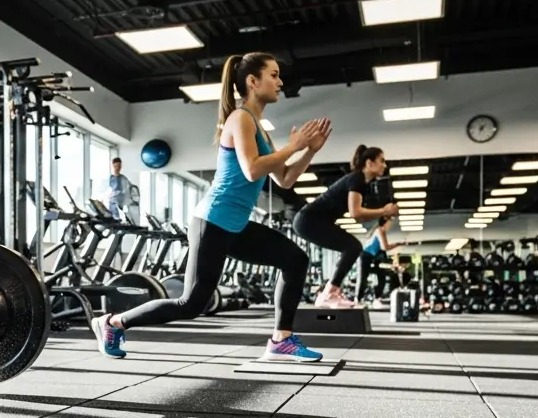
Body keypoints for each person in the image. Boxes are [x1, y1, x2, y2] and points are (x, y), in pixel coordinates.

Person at [90, 52, 330, 363]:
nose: (280, 81)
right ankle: (112, 323)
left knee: (295, 260)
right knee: (190, 304)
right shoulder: (240, 118)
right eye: (274, 74)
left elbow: (284, 179)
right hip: (213, 222)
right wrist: (293, 147)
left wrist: (308, 151)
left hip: (236, 225)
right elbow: (252, 169)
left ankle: (280, 339)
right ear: (253, 82)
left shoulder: (259, 126)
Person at [290, 145, 400, 308]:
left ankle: (329, 292)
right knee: (353, 246)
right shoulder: (357, 179)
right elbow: (355, 212)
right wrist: (384, 210)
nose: (385, 165)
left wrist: (382, 213)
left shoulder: (362, 183)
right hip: (308, 220)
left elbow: (359, 216)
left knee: (351, 247)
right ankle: (329, 293)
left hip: (312, 222)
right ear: (369, 163)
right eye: (381, 161)